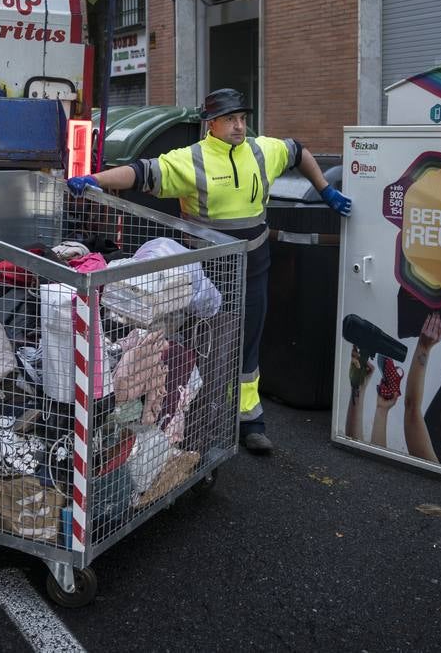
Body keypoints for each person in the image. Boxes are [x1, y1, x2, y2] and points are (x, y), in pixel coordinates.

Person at [69, 87, 351, 453]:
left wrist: (326, 189)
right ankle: (193, 420)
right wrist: (96, 179)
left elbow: (298, 151)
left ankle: (251, 422)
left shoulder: (262, 150)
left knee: (248, 341)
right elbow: (140, 172)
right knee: (203, 341)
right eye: (231, 119)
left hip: (255, 266)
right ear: (211, 124)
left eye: (242, 119)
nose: (239, 126)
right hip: (209, 271)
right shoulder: (192, 160)